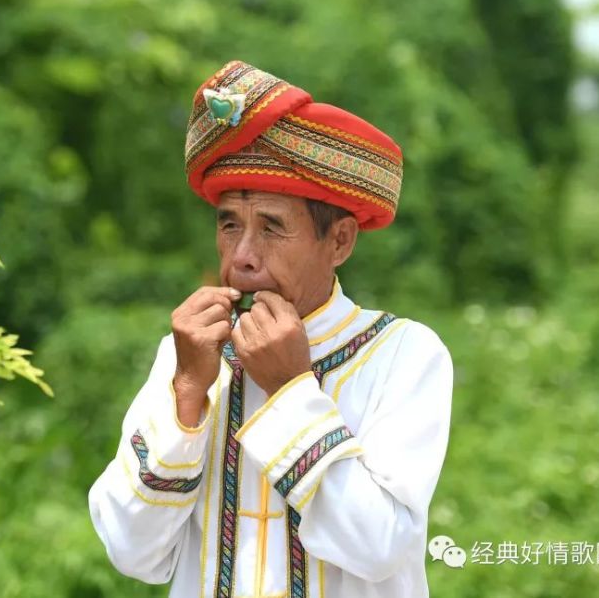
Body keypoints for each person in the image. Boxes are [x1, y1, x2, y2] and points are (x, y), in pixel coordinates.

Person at [89, 61, 453, 598]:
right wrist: (187, 393)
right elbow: (131, 553)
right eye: (229, 223)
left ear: (340, 241)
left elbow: (380, 547)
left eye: (272, 227)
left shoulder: (404, 354)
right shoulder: (186, 356)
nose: (241, 257)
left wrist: (289, 391)